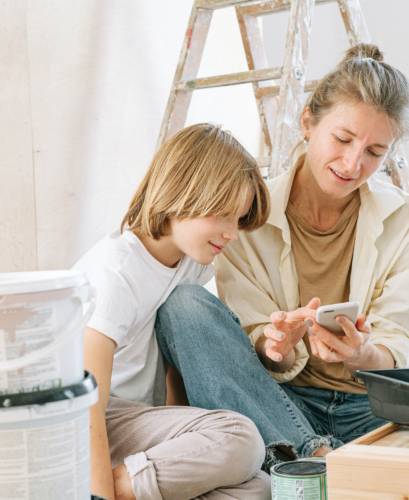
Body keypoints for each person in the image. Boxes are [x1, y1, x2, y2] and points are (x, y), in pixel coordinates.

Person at [155, 43, 409, 464]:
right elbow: (254, 345)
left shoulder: (402, 219)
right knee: (184, 306)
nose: (352, 163)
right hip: (279, 404)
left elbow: (398, 344)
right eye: (343, 139)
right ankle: (319, 457)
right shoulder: (247, 213)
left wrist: (360, 353)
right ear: (308, 121)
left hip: (373, 408)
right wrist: (277, 347)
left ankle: (298, 465)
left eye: (374, 153)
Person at [73, 123, 272, 500]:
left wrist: (189, 443)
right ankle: (94, 491)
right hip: (90, 426)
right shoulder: (114, 275)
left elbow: (174, 365)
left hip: (138, 423)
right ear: (183, 194)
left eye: (238, 219)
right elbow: (85, 406)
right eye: (223, 215)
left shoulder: (190, 261)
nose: (232, 233)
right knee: (241, 438)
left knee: (258, 487)